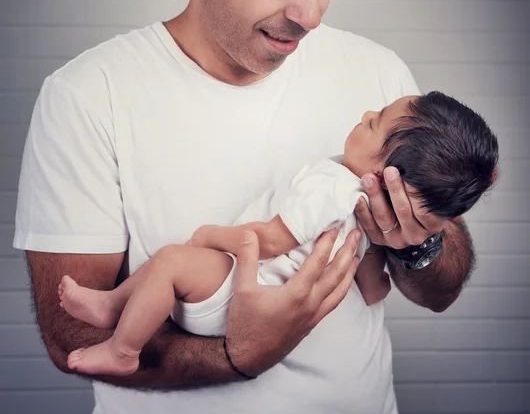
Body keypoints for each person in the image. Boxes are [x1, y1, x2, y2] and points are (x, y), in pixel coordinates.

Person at [13, 0, 477, 414]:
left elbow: (439, 288)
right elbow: (70, 336)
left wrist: (418, 246)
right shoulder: (87, 97)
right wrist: (240, 357)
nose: (309, 14)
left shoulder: (380, 77)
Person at [58, 91, 498, 377]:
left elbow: (266, 241)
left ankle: (123, 348)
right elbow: (370, 287)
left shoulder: (330, 183)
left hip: (242, 293)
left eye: (374, 123)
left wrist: (210, 235)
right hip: (263, 300)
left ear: (387, 174)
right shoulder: (362, 220)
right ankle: (112, 305)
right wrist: (381, 274)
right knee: (166, 268)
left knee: (171, 262)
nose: (364, 114)